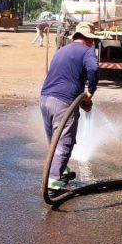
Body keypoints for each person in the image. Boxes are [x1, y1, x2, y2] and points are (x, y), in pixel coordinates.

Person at [39, 22, 99, 192]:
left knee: (54, 140)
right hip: (64, 103)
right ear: (88, 39)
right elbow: (93, 68)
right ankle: (54, 182)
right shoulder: (87, 51)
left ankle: (61, 170)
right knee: (65, 142)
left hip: (45, 98)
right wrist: (90, 92)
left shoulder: (62, 50)